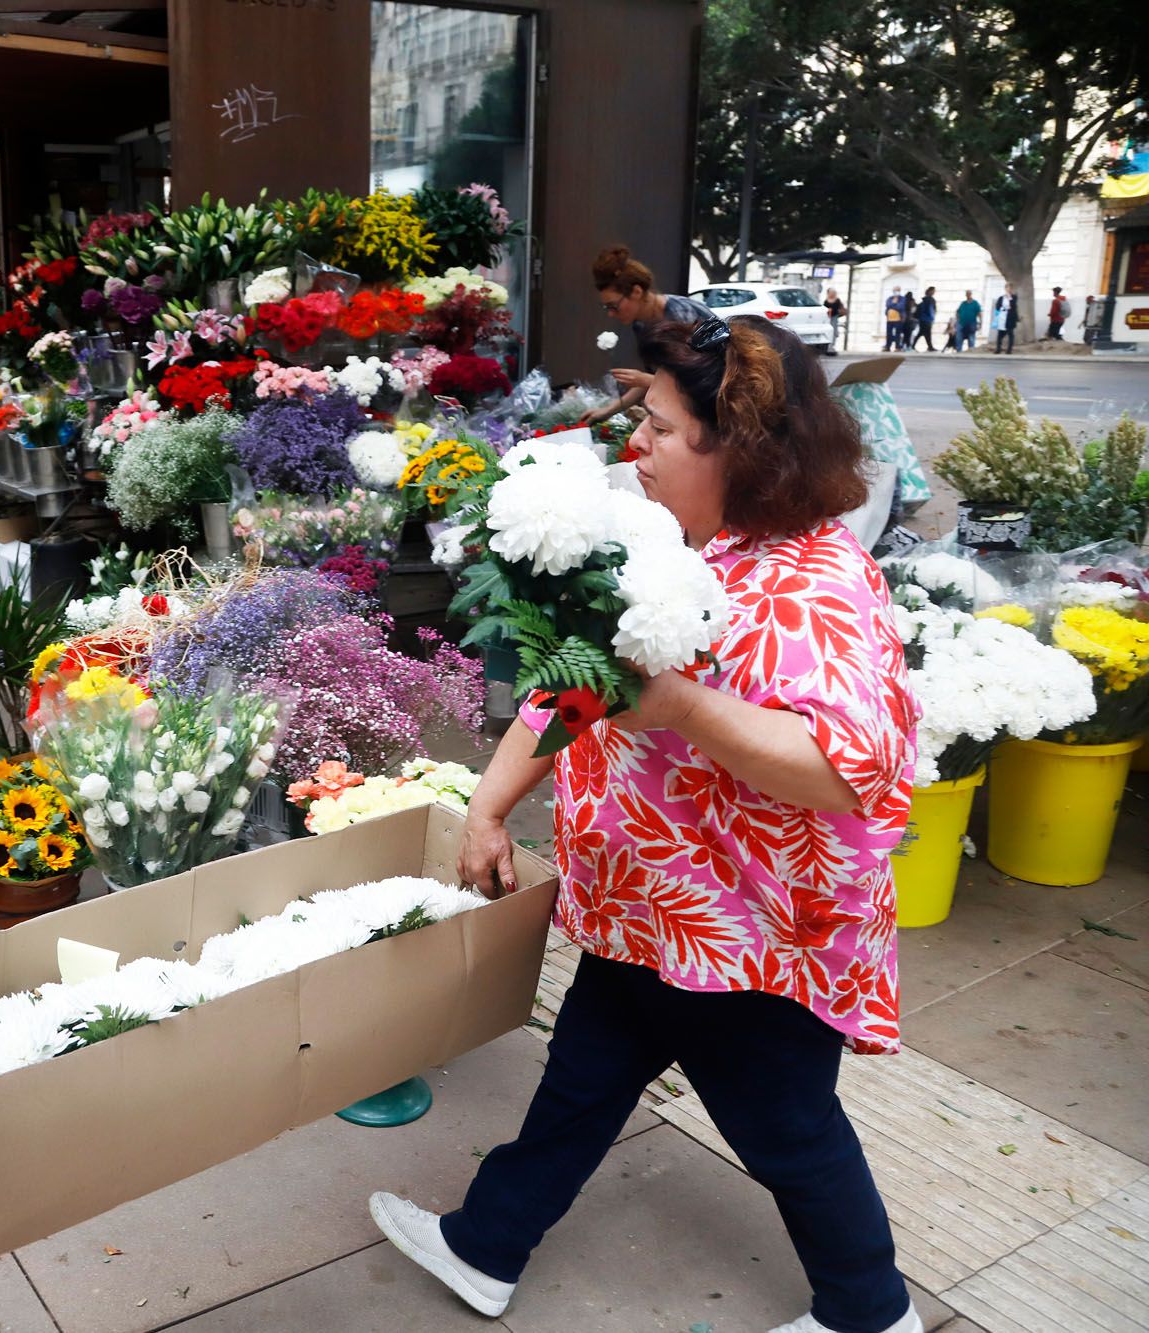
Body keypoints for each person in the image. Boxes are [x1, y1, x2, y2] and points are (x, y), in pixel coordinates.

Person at [367, 312, 924, 1333]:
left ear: (743, 449)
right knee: (583, 1075)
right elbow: (575, 682)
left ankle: (866, 1308)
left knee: (787, 1128)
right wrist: (487, 804)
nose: (636, 447)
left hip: (748, 938)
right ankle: (484, 1243)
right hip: (650, 912)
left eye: (661, 430)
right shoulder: (665, 545)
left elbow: (852, 770)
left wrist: (683, 709)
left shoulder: (812, 586)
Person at [581, 245, 714, 420]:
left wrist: (644, 379)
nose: (611, 313)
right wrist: (606, 412)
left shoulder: (680, 316)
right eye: (607, 307)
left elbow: (696, 382)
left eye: (613, 306)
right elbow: (660, 378)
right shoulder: (641, 324)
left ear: (636, 292)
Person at [910, 287, 936, 351]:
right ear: (930, 291)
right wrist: (932, 318)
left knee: (924, 333)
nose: (934, 292)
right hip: (926, 319)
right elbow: (931, 310)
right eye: (933, 291)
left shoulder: (924, 300)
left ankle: (929, 346)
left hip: (923, 319)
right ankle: (929, 347)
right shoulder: (930, 300)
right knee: (924, 333)